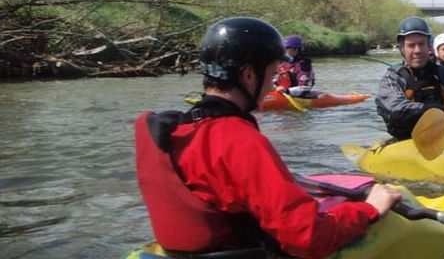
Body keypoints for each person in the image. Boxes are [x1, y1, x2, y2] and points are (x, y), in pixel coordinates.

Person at [134, 17, 401, 258]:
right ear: (249, 75)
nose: (272, 85)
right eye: (272, 75)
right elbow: (308, 238)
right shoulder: (240, 141)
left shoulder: (176, 130)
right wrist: (370, 210)